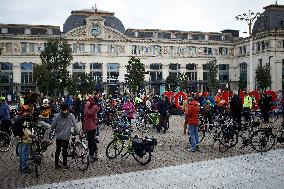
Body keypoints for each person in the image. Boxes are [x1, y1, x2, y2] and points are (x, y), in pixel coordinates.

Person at [51, 103, 77, 170]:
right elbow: (75, 125)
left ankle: (56, 165)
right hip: (66, 135)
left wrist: (54, 128)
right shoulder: (71, 115)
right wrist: (75, 132)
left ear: (60, 108)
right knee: (65, 150)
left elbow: (53, 125)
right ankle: (65, 165)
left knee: (58, 150)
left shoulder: (57, 115)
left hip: (58, 135)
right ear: (67, 108)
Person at [16, 105, 34, 173]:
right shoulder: (26, 118)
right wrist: (30, 135)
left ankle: (21, 166)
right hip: (24, 137)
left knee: (21, 152)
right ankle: (25, 168)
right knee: (25, 153)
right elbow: (26, 129)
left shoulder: (20, 116)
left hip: (19, 136)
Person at [83, 97, 100, 162]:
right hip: (87, 126)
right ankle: (96, 152)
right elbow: (84, 115)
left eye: (89, 100)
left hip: (92, 126)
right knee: (91, 140)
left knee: (91, 142)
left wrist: (86, 106)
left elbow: (89, 113)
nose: (88, 102)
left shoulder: (95, 107)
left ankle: (91, 155)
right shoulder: (88, 107)